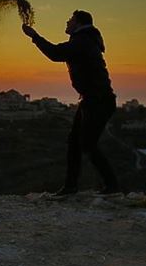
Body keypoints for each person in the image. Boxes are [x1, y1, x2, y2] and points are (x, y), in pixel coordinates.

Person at [21, 10, 120, 196]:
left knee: (88, 144)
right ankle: (70, 187)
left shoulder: (82, 41)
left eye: (70, 20)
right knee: (75, 143)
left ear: (79, 23)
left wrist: (34, 36)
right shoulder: (86, 40)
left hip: (98, 101)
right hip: (93, 100)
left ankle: (112, 187)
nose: (66, 23)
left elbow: (55, 53)